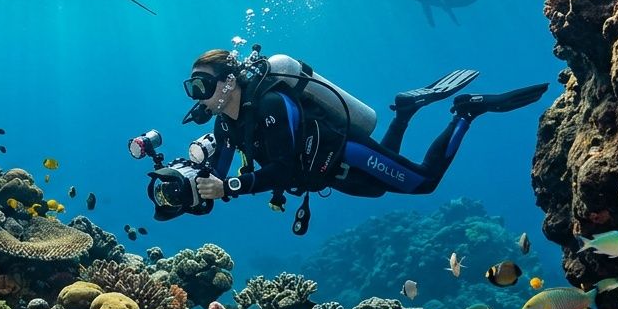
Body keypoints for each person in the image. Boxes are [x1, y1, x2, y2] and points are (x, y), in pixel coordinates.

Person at [181, 49, 547, 225]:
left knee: (422, 183)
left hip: (345, 153)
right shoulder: (226, 125)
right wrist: (193, 189)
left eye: (203, 85)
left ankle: (465, 112)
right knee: (376, 188)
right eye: (192, 88)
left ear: (229, 81)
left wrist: (230, 187)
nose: (199, 95)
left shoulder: (272, 103)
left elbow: (282, 168)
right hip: (326, 173)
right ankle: (405, 112)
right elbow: (217, 173)